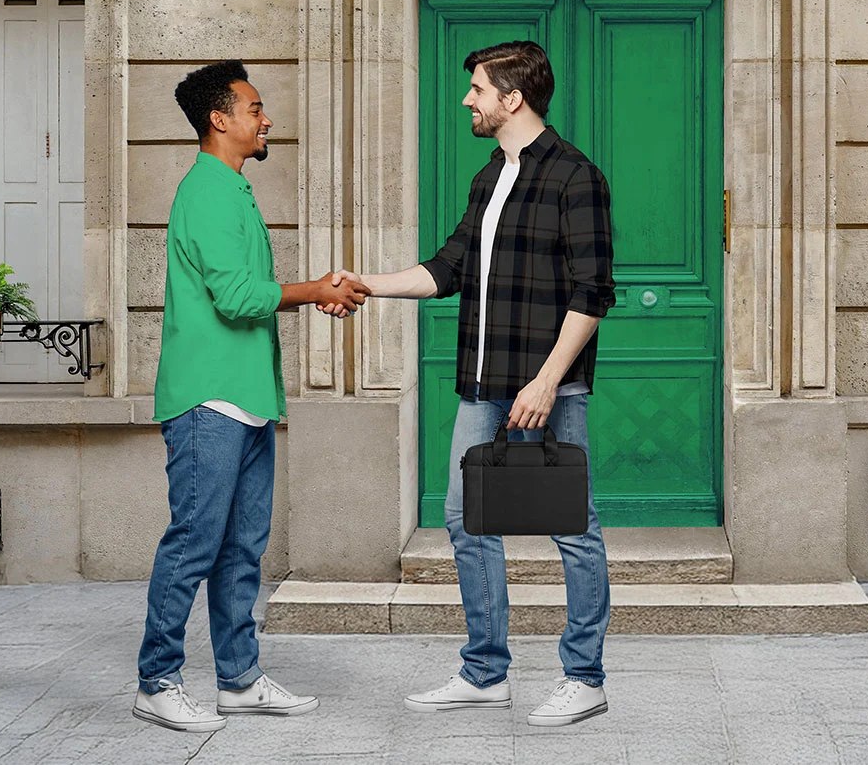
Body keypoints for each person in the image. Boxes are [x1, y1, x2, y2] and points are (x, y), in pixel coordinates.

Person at [331, 40, 615, 727]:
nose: (468, 100)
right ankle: (485, 672)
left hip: (544, 387)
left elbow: (592, 291)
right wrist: (364, 283)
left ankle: (584, 677)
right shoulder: (491, 175)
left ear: (512, 98)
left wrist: (547, 381)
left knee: (572, 527)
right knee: (465, 521)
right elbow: (445, 269)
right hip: (483, 384)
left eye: (478, 90)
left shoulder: (575, 176)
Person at [134, 59, 369, 733]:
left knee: (241, 550)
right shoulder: (207, 191)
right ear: (219, 119)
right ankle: (157, 681)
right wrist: (315, 290)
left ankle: (238, 680)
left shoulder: (230, 189)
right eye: (255, 108)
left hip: (245, 398)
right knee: (194, 545)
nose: (266, 119)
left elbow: (246, 295)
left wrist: (312, 292)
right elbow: (238, 300)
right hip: (208, 399)